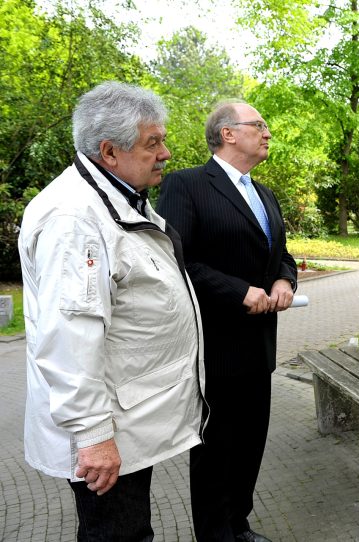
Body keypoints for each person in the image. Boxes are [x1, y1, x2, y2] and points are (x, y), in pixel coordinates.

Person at [17, 81, 206, 541]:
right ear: (109, 151)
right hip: (106, 430)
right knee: (119, 535)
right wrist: (94, 435)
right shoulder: (75, 219)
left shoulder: (112, 198)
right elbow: (69, 336)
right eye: (152, 143)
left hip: (127, 418)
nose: (165, 153)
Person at [157, 100, 297, 542]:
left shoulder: (265, 193)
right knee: (217, 453)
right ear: (228, 134)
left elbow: (282, 255)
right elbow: (176, 259)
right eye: (259, 125)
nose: (267, 132)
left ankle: (240, 525)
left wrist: (283, 281)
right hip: (215, 349)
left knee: (251, 447)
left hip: (261, 348)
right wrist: (238, 292)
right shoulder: (187, 185)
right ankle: (216, 534)